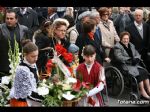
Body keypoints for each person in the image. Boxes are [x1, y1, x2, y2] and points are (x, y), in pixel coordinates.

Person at [113, 31, 150, 100]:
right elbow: (119, 57)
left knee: (144, 71)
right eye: (124, 38)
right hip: (125, 65)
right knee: (139, 74)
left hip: (134, 64)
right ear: (121, 39)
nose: (126, 40)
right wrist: (130, 59)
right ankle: (142, 92)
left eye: (127, 38)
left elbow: (137, 54)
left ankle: (148, 90)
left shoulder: (131, 45)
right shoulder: (117, 47)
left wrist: (136, 59)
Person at [9, 39, 43, 107]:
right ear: (25, 54)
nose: (36, 59)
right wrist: (44, 97)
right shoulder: (22, 69)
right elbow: (27, 93)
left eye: (37, 55)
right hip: (21, 103)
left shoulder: (33, 64)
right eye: (33, 56)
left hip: (31, 101)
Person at [0, 9, 29, 79]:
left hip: (18, 64)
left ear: (16, 20)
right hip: (3, 65)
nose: (9, 20)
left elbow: (27, 45)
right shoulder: (0, 28)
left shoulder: (24, 29)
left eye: (11, 19)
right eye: (7, 18)